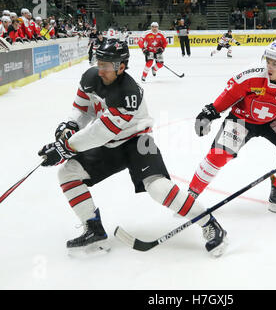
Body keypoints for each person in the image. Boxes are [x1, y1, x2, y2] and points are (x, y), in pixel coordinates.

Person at [37, 38, 227, 257]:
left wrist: (65, 147)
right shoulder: (90, 77)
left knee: (158, 188)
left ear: (122, 67)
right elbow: (83, 109)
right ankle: (94, 229)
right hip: (110, 144)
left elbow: (100, 131)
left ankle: (209, 223)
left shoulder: (128, 94)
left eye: (106, 65)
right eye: (99, 62)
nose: (100, 69)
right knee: (68, 173)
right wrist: (71, 124)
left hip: (138, 142)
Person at [189, 38, 276, 216]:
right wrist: (210, 112)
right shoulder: (251, 74)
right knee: (218, 155)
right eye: (268, 61)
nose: (269, 66)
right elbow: (230, 94)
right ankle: (190, 195)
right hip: (242, 117)